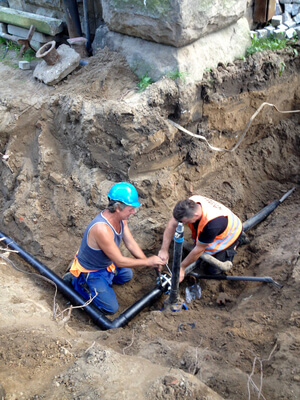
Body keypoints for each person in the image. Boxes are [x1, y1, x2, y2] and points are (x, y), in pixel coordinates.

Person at [66, 182, 164, 314]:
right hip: (92, 271)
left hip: (106, 264)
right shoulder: (102, 229)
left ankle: (104, 281)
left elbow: (130, 243)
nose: (133, 212)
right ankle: (78, 283)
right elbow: (120, 261)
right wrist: (148, 262)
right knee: (110, 309)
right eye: (130, 209)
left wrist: (147, 261)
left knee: (127, 275)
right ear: (118, 207)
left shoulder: (121, 219)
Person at [158, 195, 243, 282]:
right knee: (200, 243)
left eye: (184, 221)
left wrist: (182, 268)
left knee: (213, 270)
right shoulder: (187, 205)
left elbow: (199, 249)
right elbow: (172, 224)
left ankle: (237, 243)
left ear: (196, 215)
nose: (182, 223)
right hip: (218, 226)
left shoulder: (212, 226)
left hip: (230, 234)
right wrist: (164, 250)